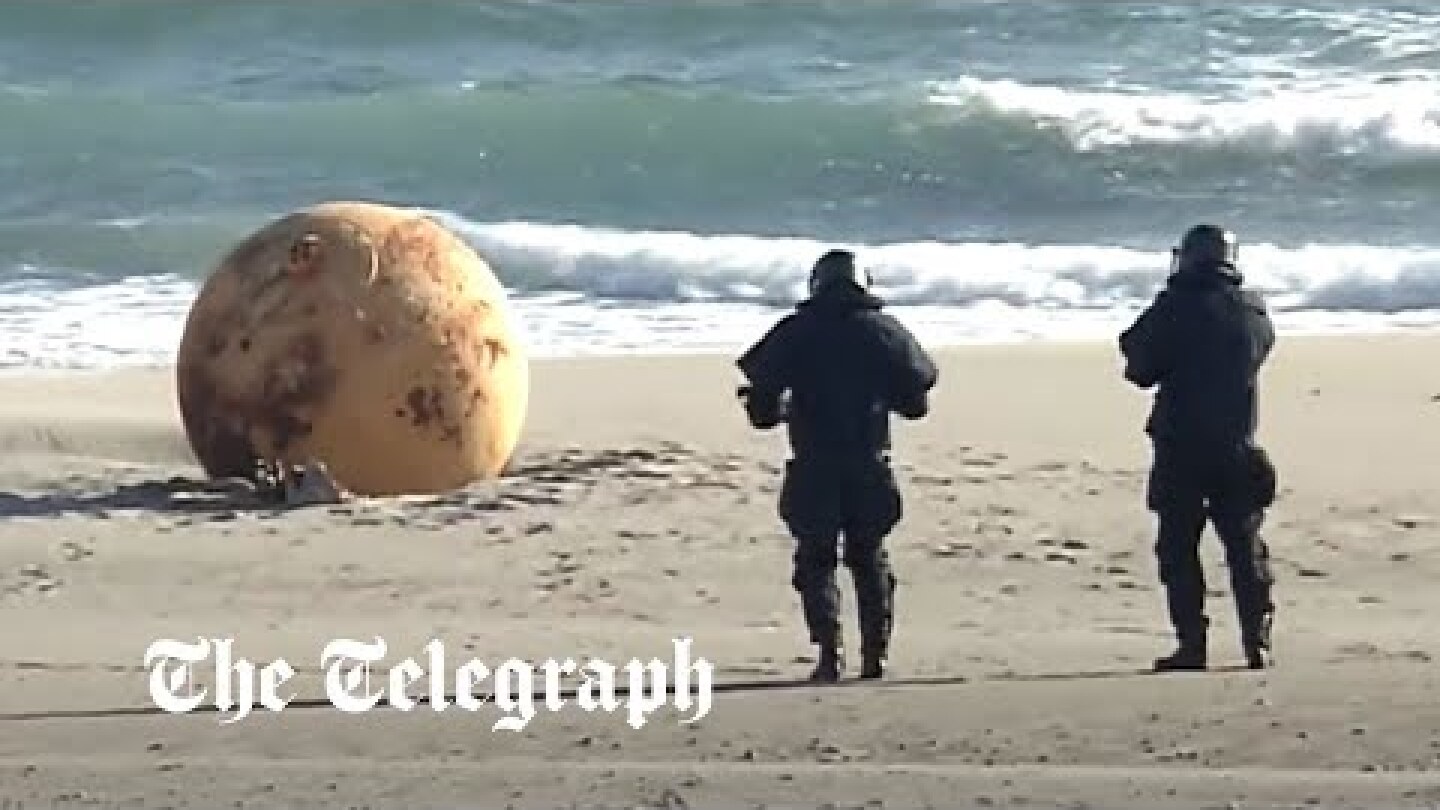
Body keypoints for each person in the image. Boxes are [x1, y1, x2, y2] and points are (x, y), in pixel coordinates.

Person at [736, 249, 938, 682]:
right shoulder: (884, 331)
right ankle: (875, 656)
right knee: (869, 557)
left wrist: (780, 407)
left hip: (813, 467)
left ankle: (830, 654)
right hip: (870, 464)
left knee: (815, 559)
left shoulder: (796, 331)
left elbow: (761, 411)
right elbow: (917, 401)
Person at [1119, 224, 1279, 672]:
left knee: (1178, 547)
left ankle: (1193, 643)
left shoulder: (1174, 308)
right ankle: (1257, 640)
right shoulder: (1252, 311)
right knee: (1244, 545)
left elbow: (1140, 368)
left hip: (1180, 446)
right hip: (1237, 445)